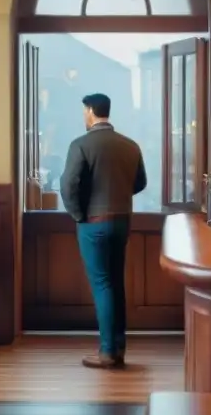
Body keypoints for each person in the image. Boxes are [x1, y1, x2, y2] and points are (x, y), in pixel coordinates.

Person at [60, 92, 147, 369]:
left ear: (89, 111)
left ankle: (108, 352)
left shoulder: (81, 145)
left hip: (93, 224)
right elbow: (140, 183)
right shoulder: (130, 146)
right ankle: (118, 347)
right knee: (115, 283)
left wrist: (78, 214)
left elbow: (69, 185)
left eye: (84, 111)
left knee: (102, 285)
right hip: (121, 221)